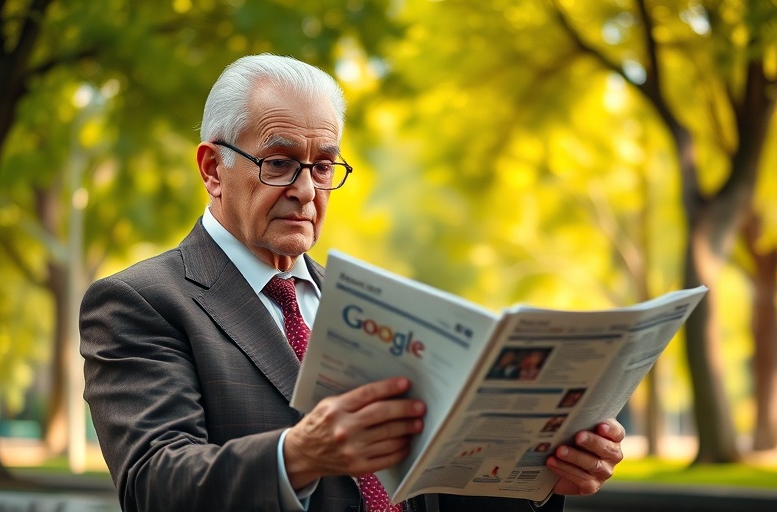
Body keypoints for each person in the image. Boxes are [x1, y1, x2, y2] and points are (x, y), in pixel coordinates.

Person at [80, 53, 625, 512]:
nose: (306, 189)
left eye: (323, 166)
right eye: (279, 162)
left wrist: (538, 473)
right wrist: (298, 456)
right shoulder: (141, 301)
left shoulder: (376, 308)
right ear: (212, 169)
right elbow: (153, 483)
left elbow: (427, 491)